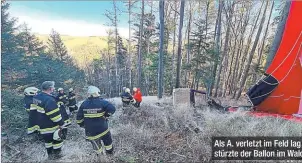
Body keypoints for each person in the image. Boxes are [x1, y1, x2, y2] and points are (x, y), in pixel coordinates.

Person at [76, 86, 116, 155]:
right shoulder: (102, 102)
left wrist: (83, 125)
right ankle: (110, 155)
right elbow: (112, 109)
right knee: (108, 144)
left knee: (97, 148)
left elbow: (79, 119)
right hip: (103, 130)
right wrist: (106, 115)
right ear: (96, 93)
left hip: (91, 132)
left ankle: (100, 158)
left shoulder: (84, 104)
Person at [33, 81, 67, 160]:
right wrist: (62, 124)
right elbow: (55, 116)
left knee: (48, 142)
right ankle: (57, 156)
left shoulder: (37, 97)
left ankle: (50, 156)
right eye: (53, 87)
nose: (54, 88)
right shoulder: (49, 100)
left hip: (41, 125)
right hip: (51, 126)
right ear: (50, 88)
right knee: (57, 140)